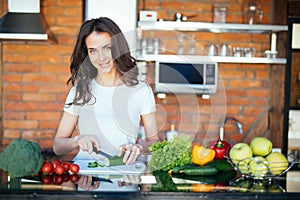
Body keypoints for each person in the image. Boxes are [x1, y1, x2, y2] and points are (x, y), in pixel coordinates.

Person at [53, 17, 160, 165]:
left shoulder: (141, 91)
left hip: (125, 179)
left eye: (107, 48)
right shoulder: (80, 91)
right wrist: (77, 140)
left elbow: (155, 143)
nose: (101, 57)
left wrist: (138, 147)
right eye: (93, 51)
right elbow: (58, 146)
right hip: (86, 177)